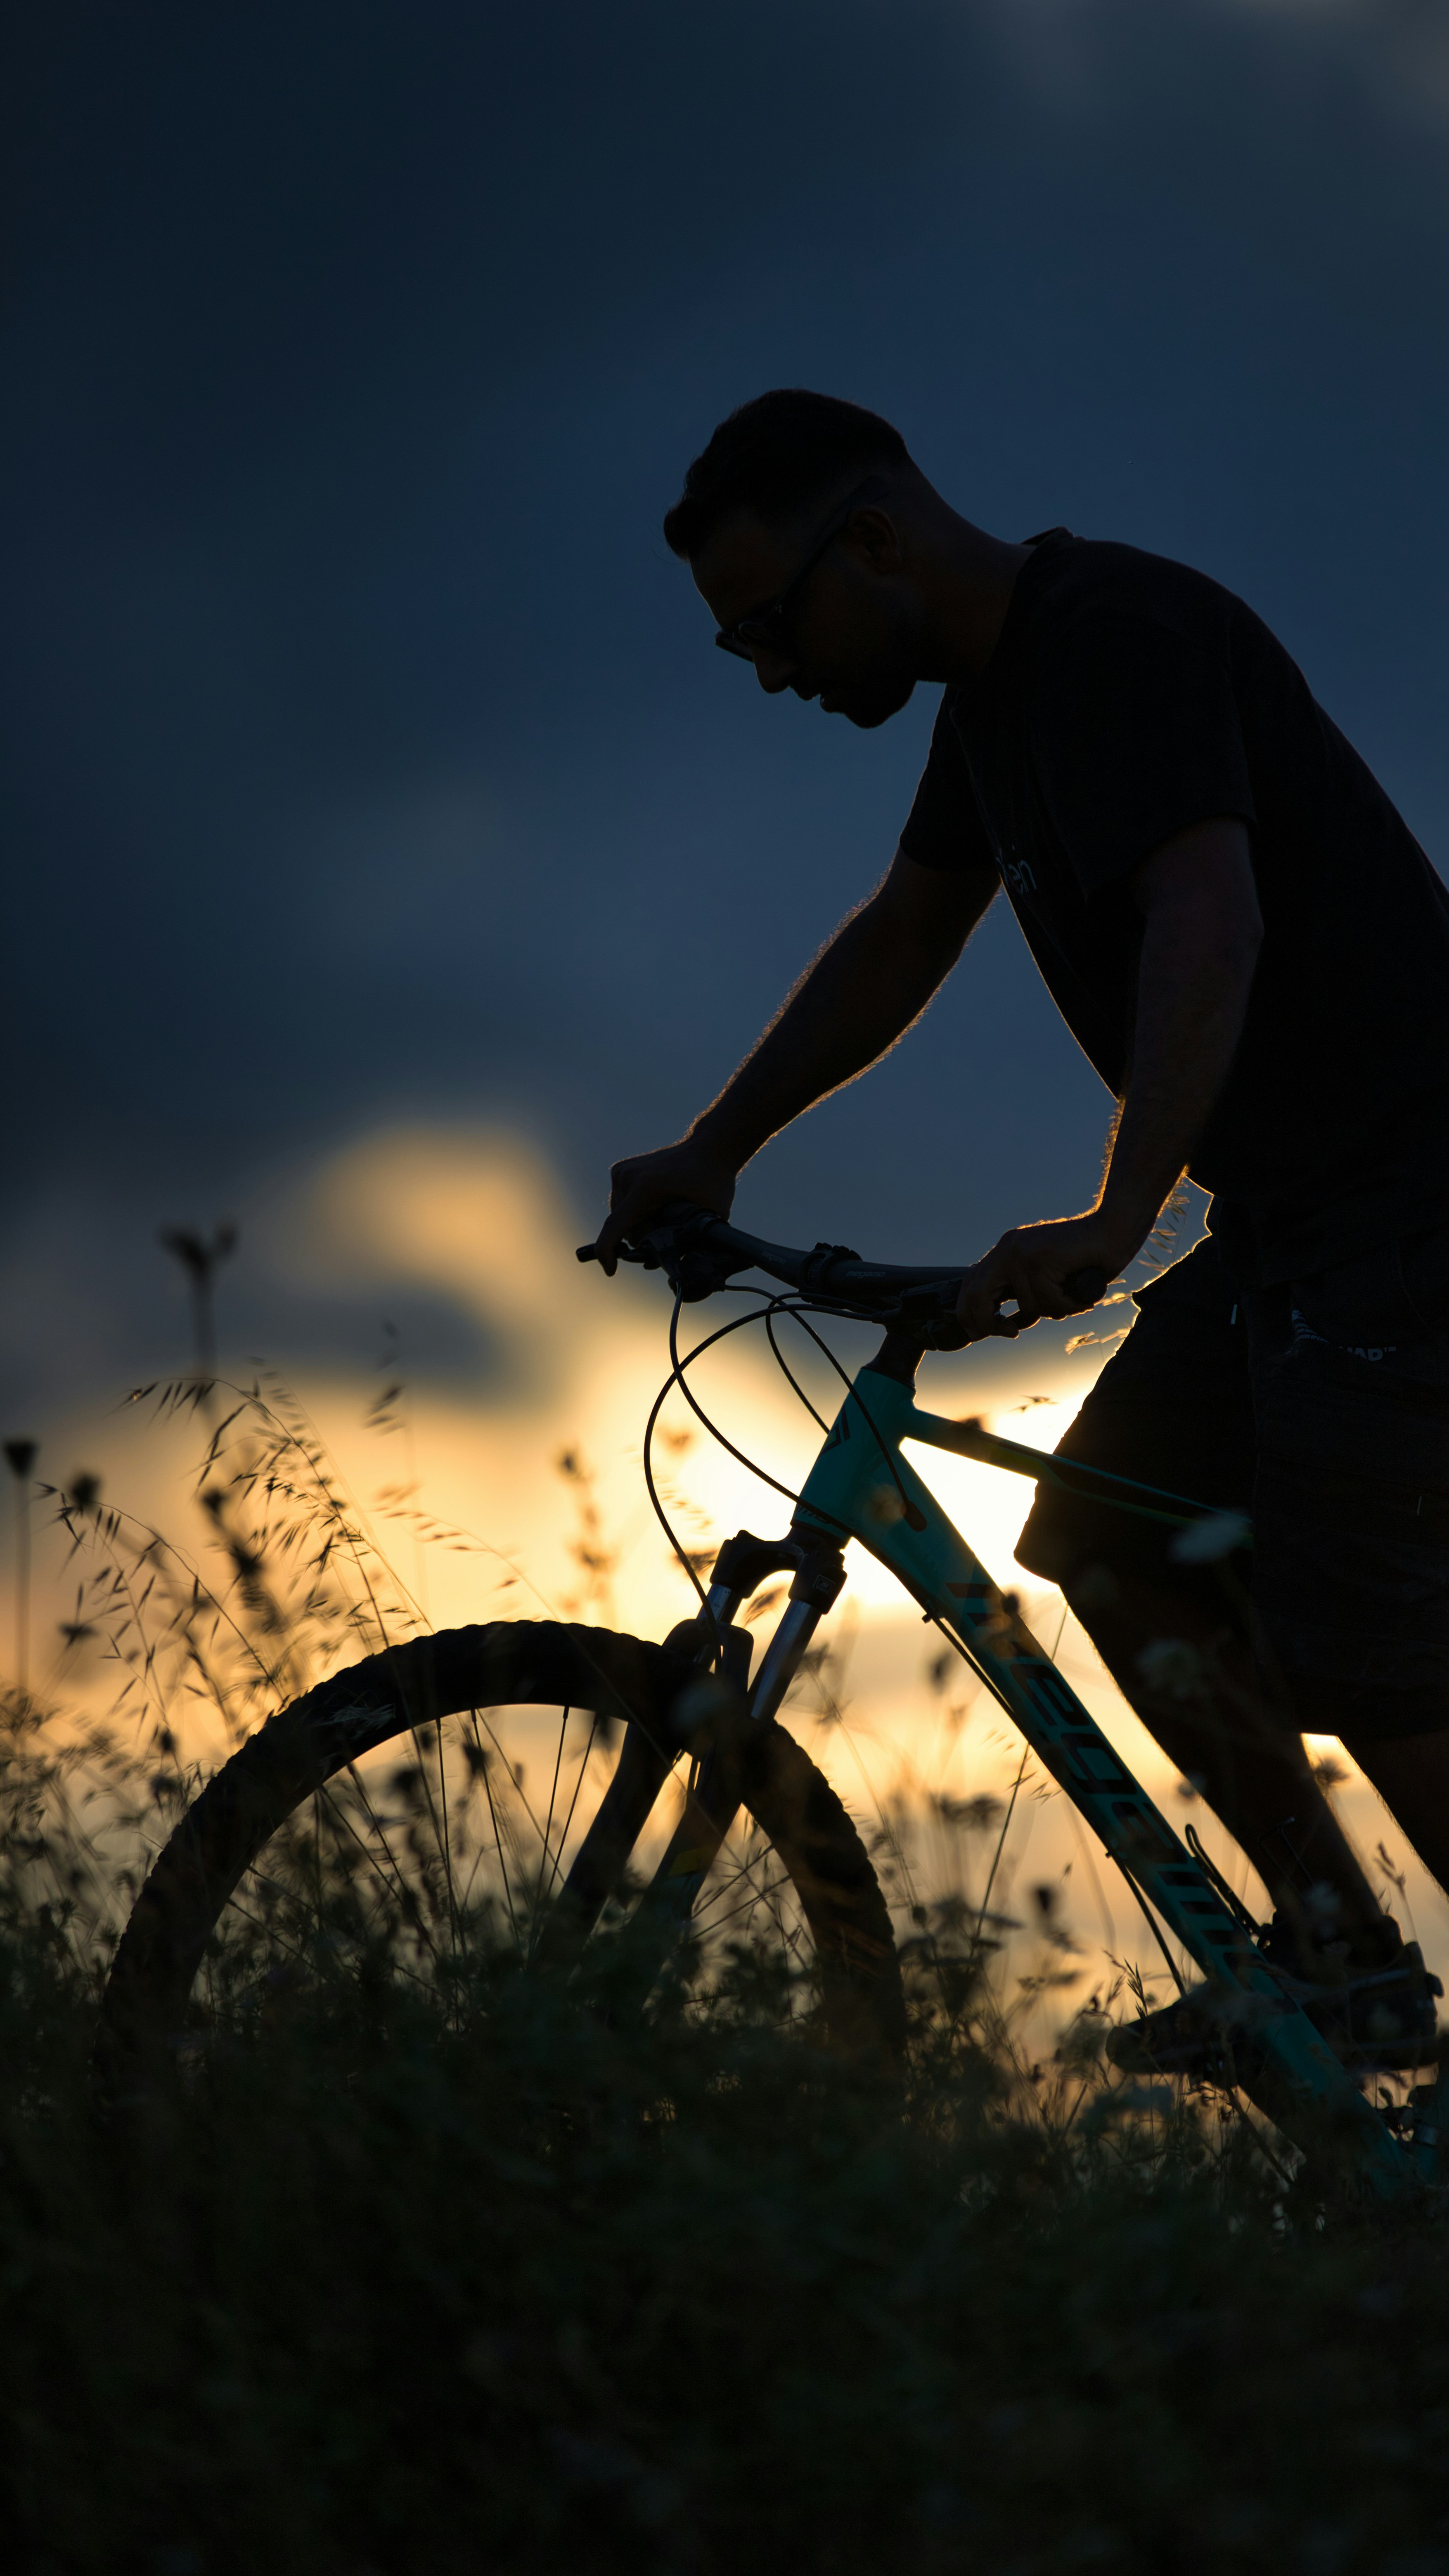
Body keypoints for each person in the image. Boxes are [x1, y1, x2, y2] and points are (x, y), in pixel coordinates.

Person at [592, 386, 1449, 2070]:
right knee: (1107, 1543)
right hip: (1301, 1219)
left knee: (1373, 1648)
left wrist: (1117, 1211)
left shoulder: (1114, 633)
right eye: (737, 647)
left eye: (770, 625)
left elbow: (1209, 912)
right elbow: (904, 934)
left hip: (1414, 1204)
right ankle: (1342, 1964)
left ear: (879, 542)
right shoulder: (987, 706)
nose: (769, 669)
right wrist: (716, 1148)